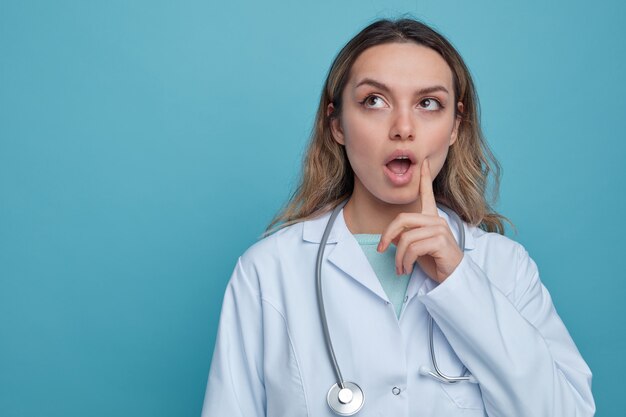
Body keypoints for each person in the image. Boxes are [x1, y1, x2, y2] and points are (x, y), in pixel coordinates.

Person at [201, 17, 595, 417]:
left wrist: (461, 281)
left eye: (428, 104)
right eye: (374, 100)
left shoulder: (505, 268)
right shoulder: (267, 272)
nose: (403, 128)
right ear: (336, 123)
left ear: (455, 126)